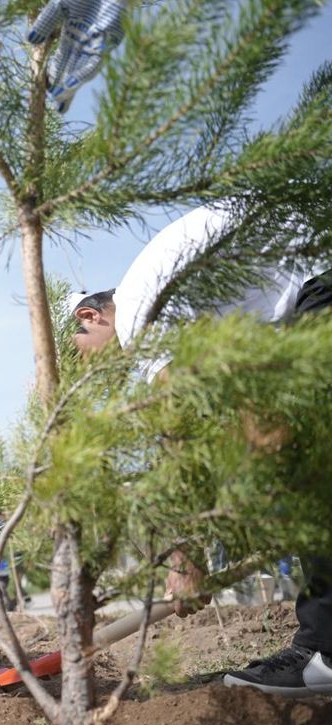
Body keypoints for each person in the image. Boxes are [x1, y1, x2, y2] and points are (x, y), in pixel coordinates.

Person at [70, 203, 332, 697]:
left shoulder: (139, 309)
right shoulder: (178, 297)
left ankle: (326, 653)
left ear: (90, 316)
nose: (90, 374)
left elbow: (182, 426)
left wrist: (184, 556)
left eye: (78, 357)